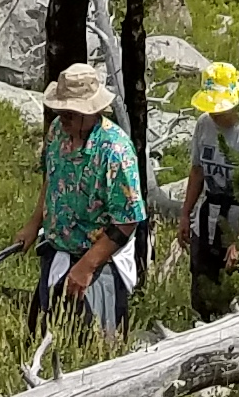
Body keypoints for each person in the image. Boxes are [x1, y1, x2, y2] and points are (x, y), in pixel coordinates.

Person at [8, 62, 143, 348]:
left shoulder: (115, 151)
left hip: (97, 263)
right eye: (60, 111)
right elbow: (53, 178)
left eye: (70, 113)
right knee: (45, 337)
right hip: (58, 251)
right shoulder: (58, 132)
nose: (63, 118)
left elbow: (127, 220)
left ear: (91, 112)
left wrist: (87, 266)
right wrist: (34, 224)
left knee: (94, 343)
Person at [177, 60, 239, 319]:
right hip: (211, 215)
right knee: (204, 290)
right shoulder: (204, 124)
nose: (214, 113)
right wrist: (185, 214)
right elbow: (197, 170)